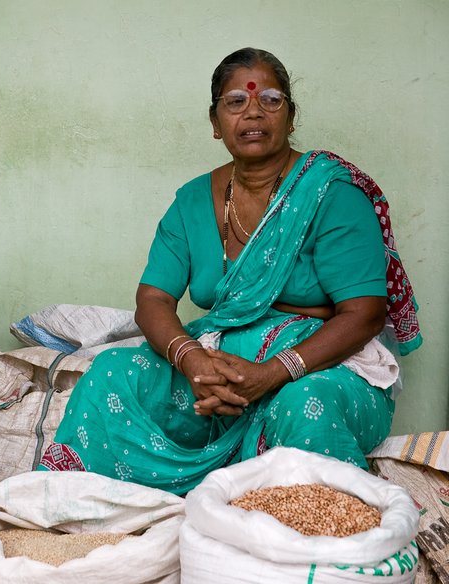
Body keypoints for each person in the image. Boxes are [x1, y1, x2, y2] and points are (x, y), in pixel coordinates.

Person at [39, 48, 422, 494]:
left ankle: (304, 522)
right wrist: (193, 361)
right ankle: (81, 502)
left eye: (271, 100)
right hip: (216, 377)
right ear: (215, 122)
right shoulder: (191, 201)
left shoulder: (331, 194)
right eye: (236, 101)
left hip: (319, 373)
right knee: (112, 371)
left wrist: (272, 373)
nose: (253, 111)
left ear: (291, 117)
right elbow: (154, 299)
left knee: (303, 405)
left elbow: (365, 314)